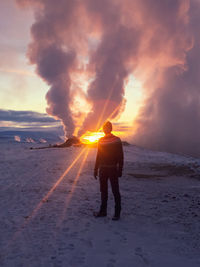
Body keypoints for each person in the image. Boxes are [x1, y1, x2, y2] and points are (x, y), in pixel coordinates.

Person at [93, 121, 124, 220]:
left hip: (113, 169)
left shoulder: (117, 140)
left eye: (107, 127)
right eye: (104, 127)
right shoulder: (100, 140)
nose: (105, 129)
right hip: (103, 169)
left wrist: (120, 169)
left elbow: (120, 156)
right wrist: (95, 169)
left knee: (115, 191)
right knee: (103, 191)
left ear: (111, 128)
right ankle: (103, 211)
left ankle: (117, 213)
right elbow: (99, 155)